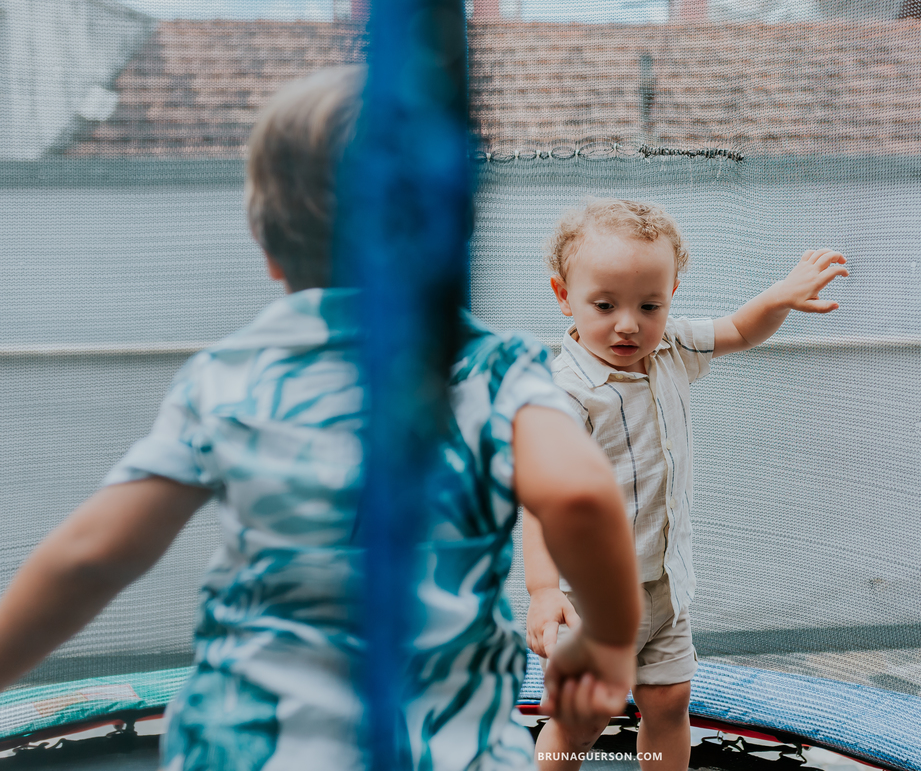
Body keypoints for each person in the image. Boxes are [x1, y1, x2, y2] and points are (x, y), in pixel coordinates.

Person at [0, 67, 640, 771]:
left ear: (268, 247)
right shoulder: (495, 371)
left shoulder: (231, 375)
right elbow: (579, 494)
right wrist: (607, 646)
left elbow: (93, 553)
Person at [524, 198, 848, 771]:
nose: (629, 323)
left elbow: (741, 330)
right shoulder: (566, 393)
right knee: (581, 717)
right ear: (562, 295)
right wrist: (543, 591)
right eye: (605, 305)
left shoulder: (670, 346)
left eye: (649, 304)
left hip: (666, 585)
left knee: (670, 702)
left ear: (672, 291)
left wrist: (780, 295)